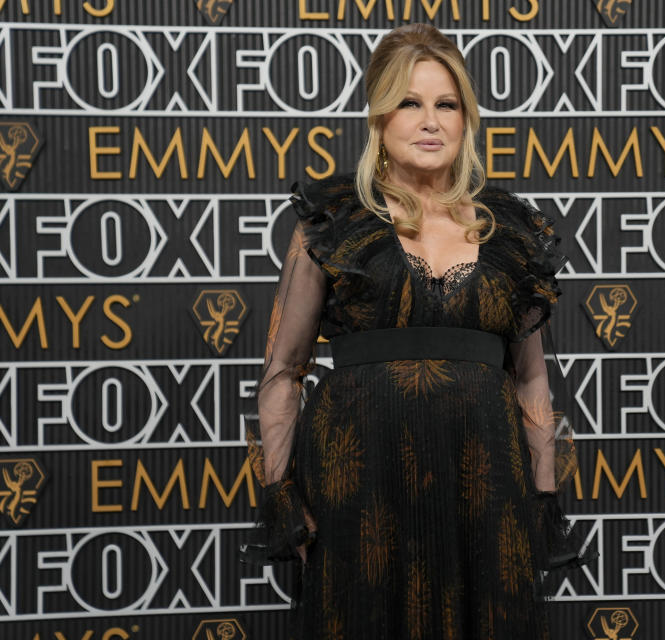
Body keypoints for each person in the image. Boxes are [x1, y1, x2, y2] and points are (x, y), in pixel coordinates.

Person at [243, 23, 586, 640]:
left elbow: (532, 379)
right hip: (359, 487)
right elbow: (283, 372)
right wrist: (281, 494)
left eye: (446, 104)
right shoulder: (332, 222)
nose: (430, 121)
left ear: (466, 119)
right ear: (379, 117)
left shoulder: (509, 232)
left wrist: (541, 497)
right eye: (410, 102)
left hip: (483, 491)